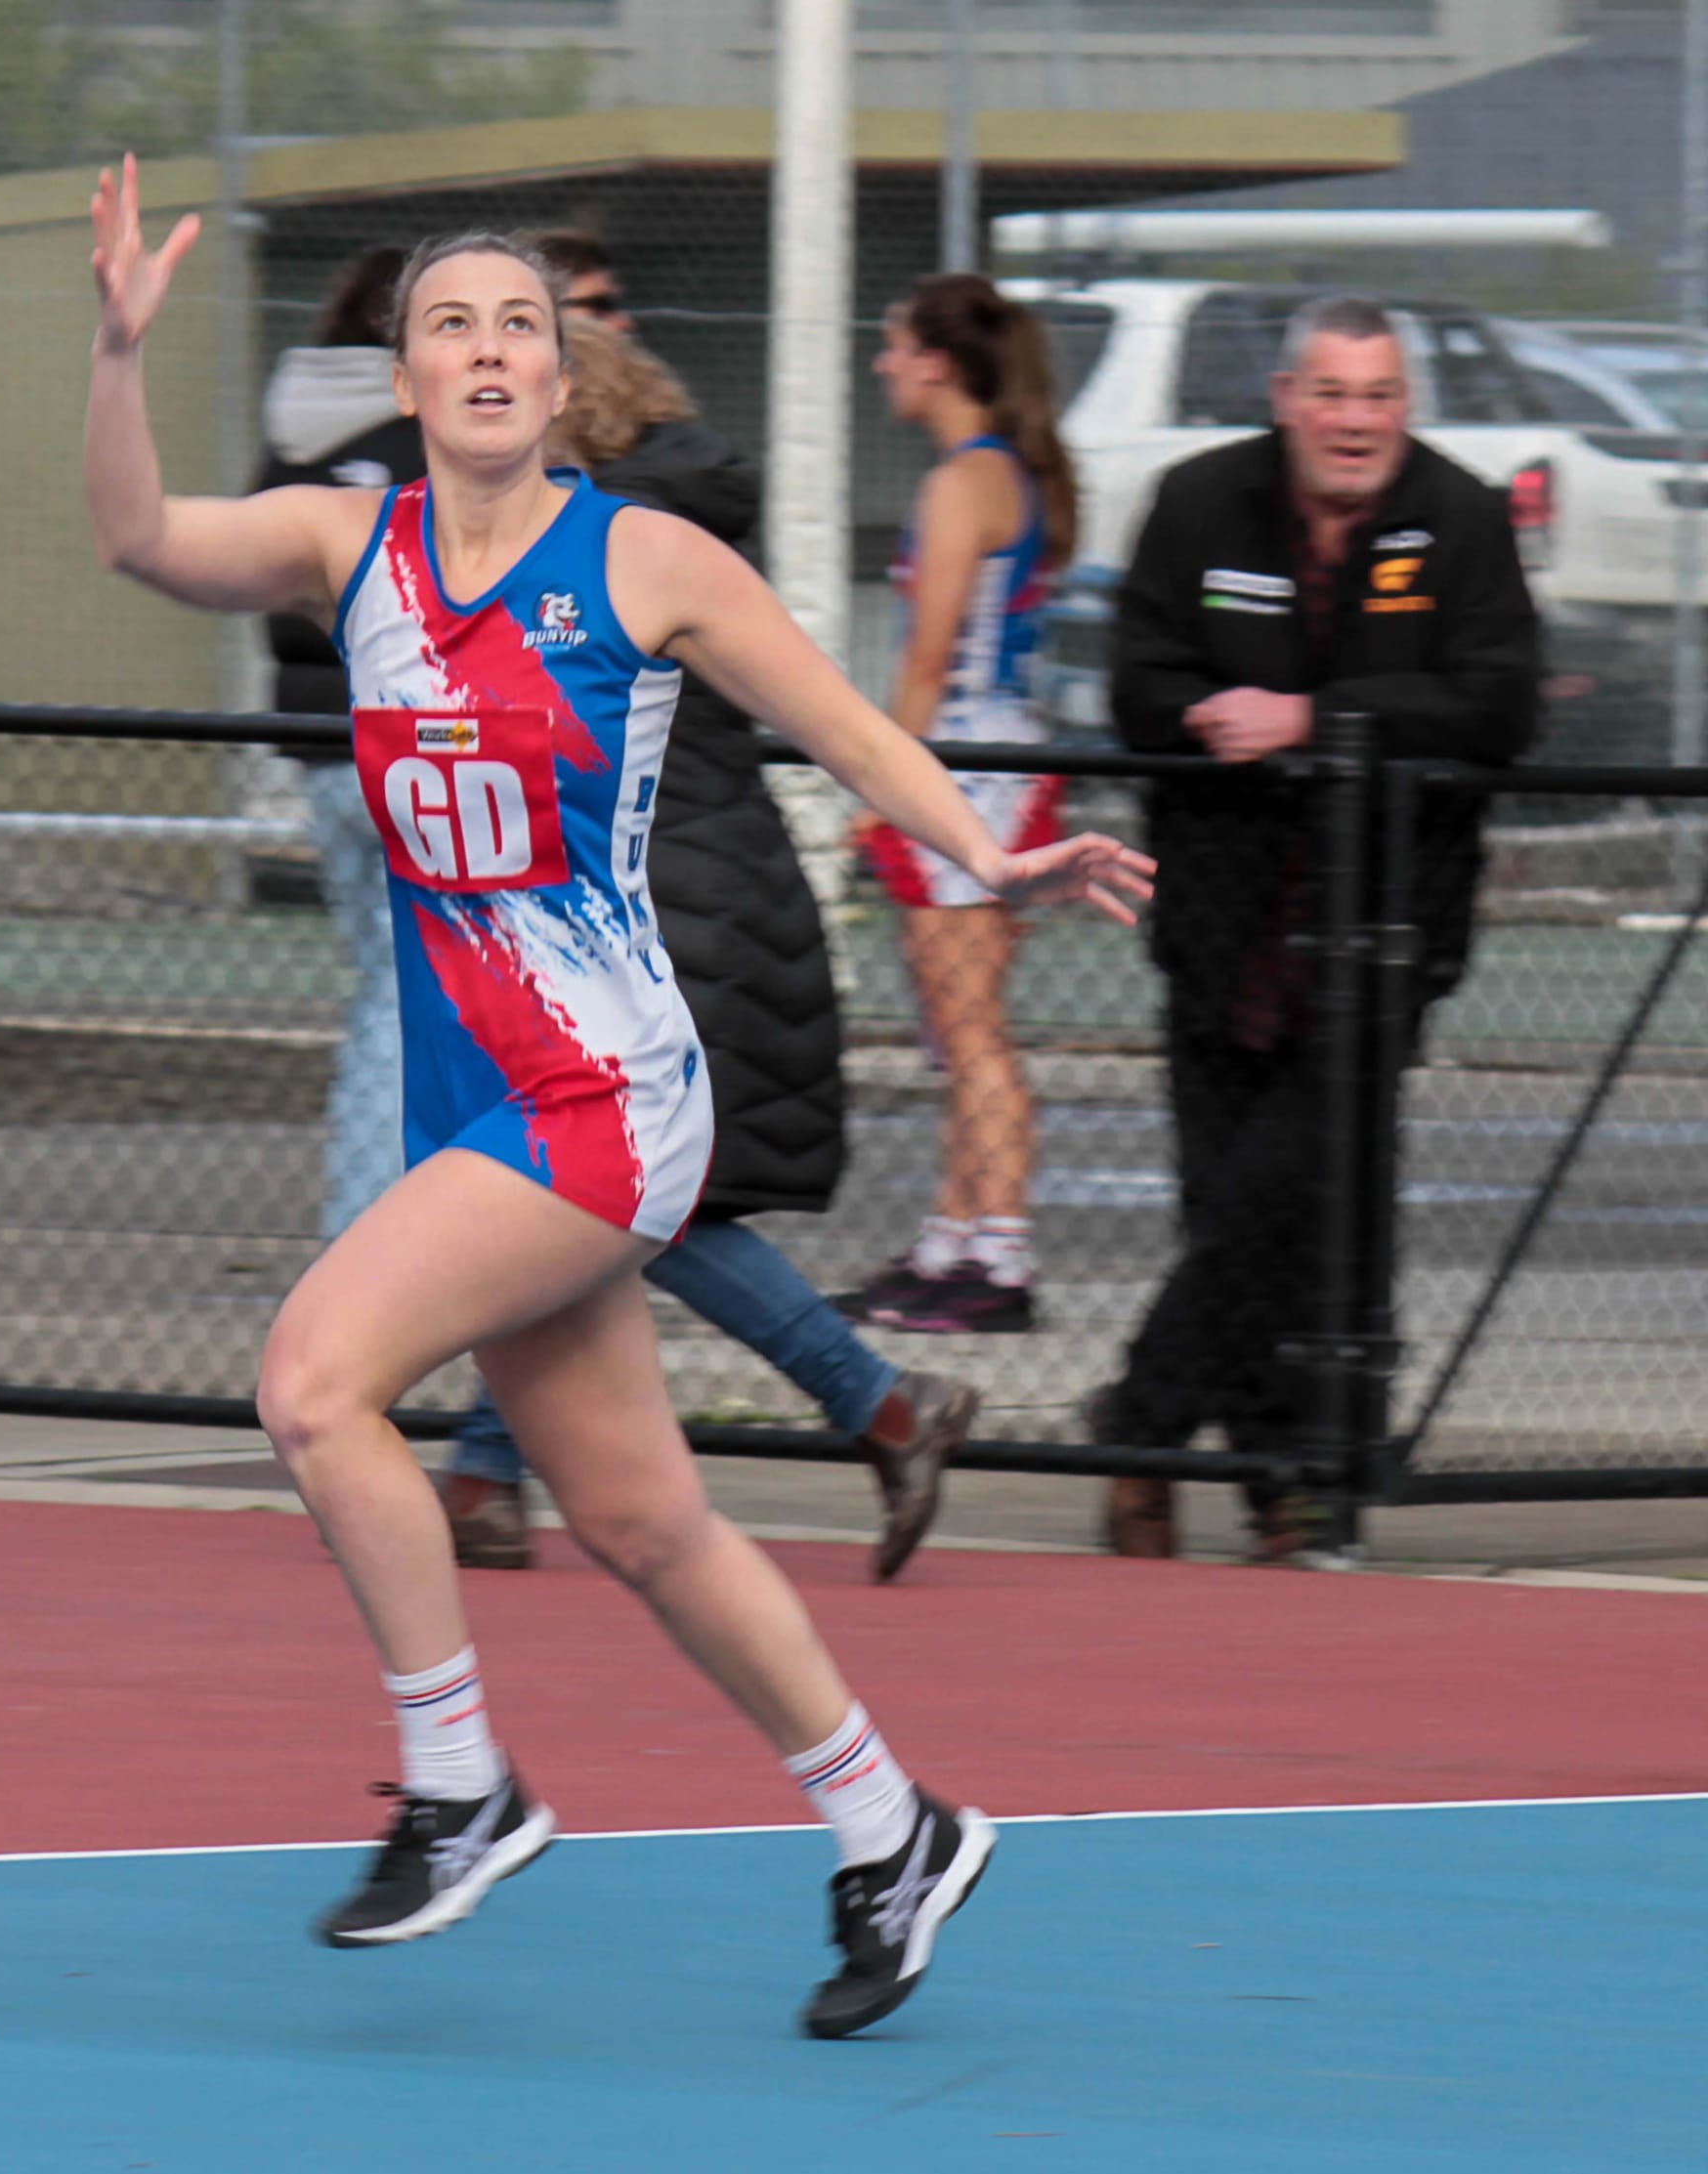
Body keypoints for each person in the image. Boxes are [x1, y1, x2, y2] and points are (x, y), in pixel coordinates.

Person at [83, 159, 1152, 2037]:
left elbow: (850, 722)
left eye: (520, 324)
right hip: (475, 1094)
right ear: (406, 374)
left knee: (313, 1379)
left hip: (603, 1091)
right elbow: (139, 542)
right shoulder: (356, 553)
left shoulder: (644, 559)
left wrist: (993, 850)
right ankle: (891, 1826)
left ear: (561, 373)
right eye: (453, 325)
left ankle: (461, 1779)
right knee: (646, 1520)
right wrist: (115, 352)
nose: (491, 350)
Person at [439, 316, 979, 1583]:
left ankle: (880, 1399)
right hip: (708, 901)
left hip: (655, 918)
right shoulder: (666, 541)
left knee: (615, 1198)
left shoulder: (596, 560)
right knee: (580, 1197)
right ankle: (484, 1475)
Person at [1097, 294, 1539, 1561]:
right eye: (1334, 394)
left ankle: (1142, 1426)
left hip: (1382, 934)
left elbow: (1499, 702)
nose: (1356, 422)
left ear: (1406, 405)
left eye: (1380, 396)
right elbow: (1138, 681)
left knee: (1284, 1198)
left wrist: (1316, 718)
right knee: (1228, 1198)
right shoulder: (1197, 503)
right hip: (1220, 925)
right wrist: (1206, 719)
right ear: (1287, 396)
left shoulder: (1458, 517)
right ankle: (1280, 1486)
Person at [845, 274, 1078, 1336]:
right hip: (984, 763)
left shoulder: (964, 482)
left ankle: (1003, 1257)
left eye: (894, 344)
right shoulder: (991, 473)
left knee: (972, 1029)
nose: (883, 362)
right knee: (956, 1025)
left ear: (936, 361)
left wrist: (879, 782)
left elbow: (929, 659)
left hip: (967, 769)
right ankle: (954, 1238)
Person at [253, 245, 425, 1239]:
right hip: (411, 744)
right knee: (421, 1001)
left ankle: (384, 1223)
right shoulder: (423, 438)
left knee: (387, 992)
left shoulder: (292, 431)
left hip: (323, 750)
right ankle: (371, 1234)